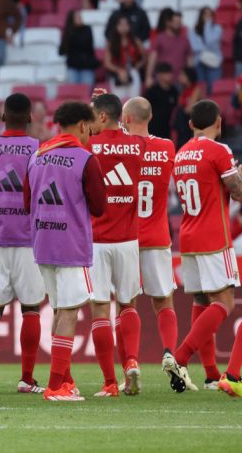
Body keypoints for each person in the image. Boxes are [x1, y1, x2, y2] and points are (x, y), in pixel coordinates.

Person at [24, 101, 105, 402]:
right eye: (91, 129)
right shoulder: (85, 158)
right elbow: (98, 206)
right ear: (83, 125)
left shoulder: (37, 155)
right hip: (71, 243)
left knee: (60, 309)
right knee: (69, 312)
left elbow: (26, 202)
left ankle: (66, 380)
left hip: (42, 240)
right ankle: (56, 385)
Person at [163, 100, 242, 395]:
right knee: (225, 302)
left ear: (190, 125)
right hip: (214, 236)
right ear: (219, 123)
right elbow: (236, 191)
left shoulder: (181, 153)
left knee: (201, 301)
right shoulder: (219, 150)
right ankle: (180, 356)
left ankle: (211, 375)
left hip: (188, 234)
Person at [0, 94, 44, 395]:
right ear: (29, 118)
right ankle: (26, 378)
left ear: (2, 116)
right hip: (29, 238)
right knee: (30, 308)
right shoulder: (39, 149)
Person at [85, 93, 145, 397]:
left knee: (99, 310)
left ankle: (110, 383)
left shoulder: (89, 146)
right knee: (127, 305)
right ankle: (131, 361)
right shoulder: (138, 145)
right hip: (128, 239)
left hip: (95, 240)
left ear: (103, 117)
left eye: (93, 117)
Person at [121, 97, 179, 383]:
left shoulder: (120, 149)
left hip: (126, 236)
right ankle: (169, 352)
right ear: (151, 116)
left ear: (126, 119)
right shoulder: (167, 147)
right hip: (157, 235)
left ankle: (131, 361)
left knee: (127, 304)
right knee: (164, 302)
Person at [146, 10, 193, 88]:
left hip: (179, 81)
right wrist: (149, 76)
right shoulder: (159, 38)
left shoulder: (185, 40)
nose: (177, 24)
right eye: (175, 21)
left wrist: (189, 77)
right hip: (162, 80)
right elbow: (152, 58)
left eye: (179, 22)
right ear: (169, 22)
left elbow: (190, 60)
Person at [104, 16, 145, 101]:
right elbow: (107, 63)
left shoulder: (135, 41)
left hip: (132, 71)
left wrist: (136, 67)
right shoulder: (111, 42)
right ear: (116, 27)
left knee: (134, 101)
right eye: (121, 25)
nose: (123, 27)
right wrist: (119, 71)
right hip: (117, 74)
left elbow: (144, 57)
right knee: (118, 101)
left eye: (126, 24)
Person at [60, 10, 98, 86]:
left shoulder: (87, 29)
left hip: (86, 65)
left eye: (80, 16)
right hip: (73, 66)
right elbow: (61, 51)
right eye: (77, 17)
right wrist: (68, 33)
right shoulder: (68, 32)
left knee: (87, 91)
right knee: (72, 92)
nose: (80, 18)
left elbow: (85, 46)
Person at [143, 62, 179, 140]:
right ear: (160, 75)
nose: (170, 76)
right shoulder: (151, 92)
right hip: (153, 129)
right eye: (167, 73)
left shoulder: (174, 91)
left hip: (168, 129)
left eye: (170, 73)